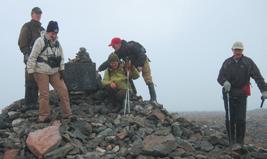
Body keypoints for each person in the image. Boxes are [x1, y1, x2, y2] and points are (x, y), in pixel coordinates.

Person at [217, 41, 267, 147]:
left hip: (241, 94)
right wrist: (224, 82)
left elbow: (258, 77)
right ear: (232, 50)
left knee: (240, 119)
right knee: (230, 118)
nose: (237, 52)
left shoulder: (248, 62)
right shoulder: (227, 62)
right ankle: (231, 142)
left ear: (242, 50)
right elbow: (220, 77)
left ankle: (240, 143)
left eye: (239, 50)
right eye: (236, 50)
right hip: (228, 93)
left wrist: (264, 90)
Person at [27, 21, 72, 122]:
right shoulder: (40, 41)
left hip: (55, 71)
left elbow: (62, 58)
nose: (54, 35)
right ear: (48, 31)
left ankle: (67, 114)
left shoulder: (57, 44)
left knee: (63, 90)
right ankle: (43, 116)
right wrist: (30, 72)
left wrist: (62, 70)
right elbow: (32, 57)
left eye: (56, 33)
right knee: (44, 94)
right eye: (52, 33)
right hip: (41, 71)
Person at [98, 37, 158, 103]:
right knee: (128, 75)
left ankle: (153, 99)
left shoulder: (131, 46)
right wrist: (99, 69)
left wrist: (139, 65)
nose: (112, 47)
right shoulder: (118, 53)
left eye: (113, 45)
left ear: (118, 44)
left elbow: (142, 55)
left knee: (147, 78)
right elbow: (108, 62)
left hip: (142, 61)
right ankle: (133, 93)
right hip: (132, 64)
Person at [18, 7, 44, 112]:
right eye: (36, 13)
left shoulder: (42, 30)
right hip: (30, 57)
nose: (38, 15)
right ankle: (29, 104)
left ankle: (35, 103)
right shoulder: (27, 26)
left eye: (40, 13)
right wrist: (26, 53)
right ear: (32, 14)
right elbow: (22, 42)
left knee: (38, 80)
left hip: (41, 59)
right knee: (30, 80)